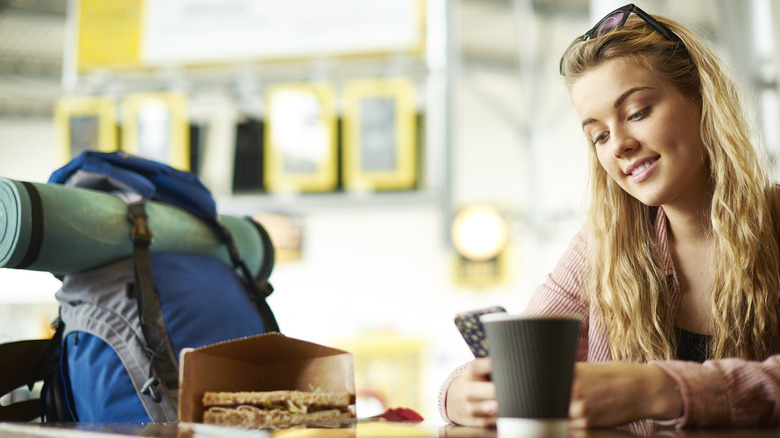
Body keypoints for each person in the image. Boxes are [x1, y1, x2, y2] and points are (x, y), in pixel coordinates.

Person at [439, 3, 780, 430]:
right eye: (598, 135)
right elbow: (523, 358)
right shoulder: (600, 249)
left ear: (701, 100)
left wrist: (657, 389)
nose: (618, 144)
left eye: (637, 112)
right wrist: (459, 394)